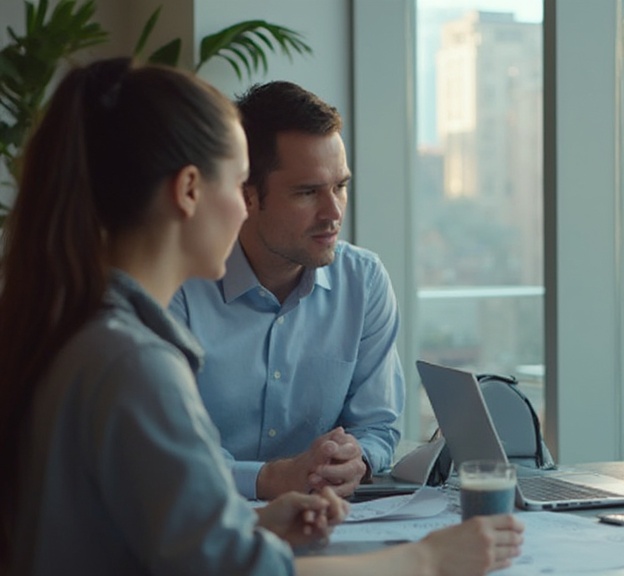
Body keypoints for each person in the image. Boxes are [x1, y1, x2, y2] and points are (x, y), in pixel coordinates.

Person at [0, 57, 523, 575]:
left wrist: (251, 526)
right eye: (236, 185)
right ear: (189, 191)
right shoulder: (135, 363)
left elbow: (132, 533)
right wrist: (427, 559)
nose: (241, 209)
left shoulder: (81, 329)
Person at [169, 81, 403, 501]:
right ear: (247, 195)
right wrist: (268, 480)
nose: (333, 212)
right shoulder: (179, 287)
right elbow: (171, 450)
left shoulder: (363, 281)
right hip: (202, 522)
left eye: (340, 186)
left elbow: (377, 425)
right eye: (307, 192)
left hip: (330, 520)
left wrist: (357, 459)